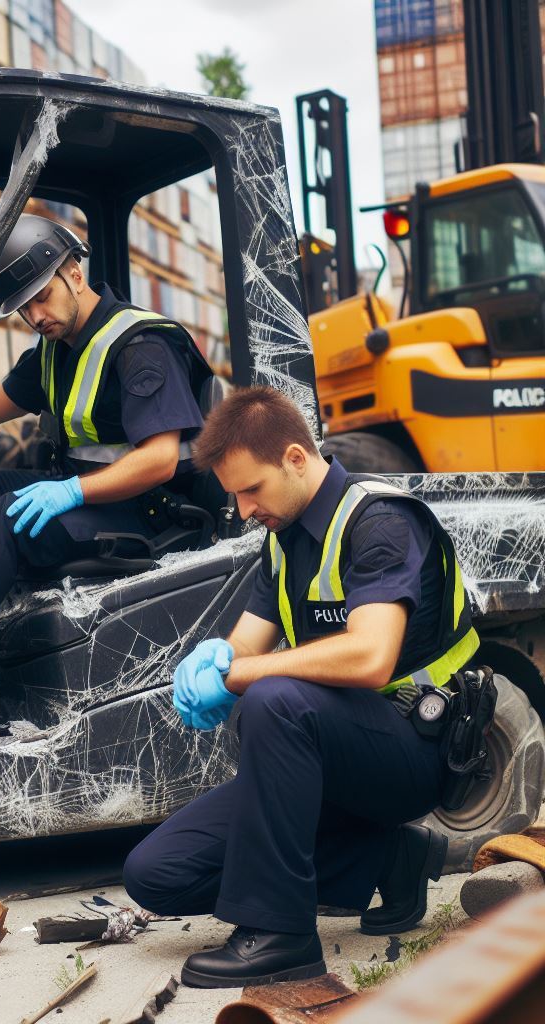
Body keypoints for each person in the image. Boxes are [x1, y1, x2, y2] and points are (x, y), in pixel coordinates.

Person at [122, 386, 479, 989]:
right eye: (232, 494)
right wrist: (210, 664)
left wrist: (240, 676)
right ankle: (390, 860)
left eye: (250, 489)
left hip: (414, 750)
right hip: (331, 755)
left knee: (274, 697)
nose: (240, 509)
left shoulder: (381, 523)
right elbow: (245, 646)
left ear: (294, 457)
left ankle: (282, 934)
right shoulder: (283, 539)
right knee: (155, 874)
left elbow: (370, 656)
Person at [0, 215, 213, 693]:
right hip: (82, 497)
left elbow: (160, 460)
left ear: (74, 273)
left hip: (144, 510)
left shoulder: (140, 346)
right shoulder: (55, 349)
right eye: (24, 309)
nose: (36, 317)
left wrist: (69, 490)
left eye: (40, 298)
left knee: (12, 514)